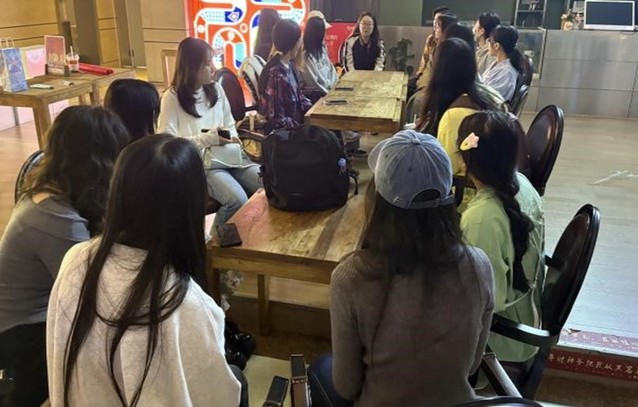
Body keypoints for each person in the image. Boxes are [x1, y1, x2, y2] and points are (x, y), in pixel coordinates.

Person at [46, 135, 247, 407]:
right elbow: (219, 398)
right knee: (238, 380)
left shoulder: (77, 259)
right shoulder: (183, 302)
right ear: (192, 206)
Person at [307, 130, 494, 407]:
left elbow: (346, 387)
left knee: (321, 369)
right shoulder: (479, 266)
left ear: (377, 199)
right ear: (448, 196)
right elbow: (471, 366)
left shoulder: (351, 276)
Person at [0, 105, 129, 407]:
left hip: (33, 312)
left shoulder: (58, 192)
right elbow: (91, 289)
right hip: (19, 326)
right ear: (98, 160)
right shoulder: (55, 217)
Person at [457, 110, 544, 368]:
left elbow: (484, 302)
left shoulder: (483, 219)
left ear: (464, 159)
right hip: (527, 312)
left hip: (502, 338)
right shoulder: (523, 184)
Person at [158, 37, 260, 231]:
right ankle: (213, 243)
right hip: (202, 164)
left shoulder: (215, 88)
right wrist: (209, 138)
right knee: (237, 200)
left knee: (267, 184)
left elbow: (229, 122)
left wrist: (231, 137)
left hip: (229, 155)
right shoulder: (172, 98)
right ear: (191, 67)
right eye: (207, 64)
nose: (213, 68)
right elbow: (168, 143)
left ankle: (248, 236)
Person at [418, 38, 501, 176]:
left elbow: (445, 170)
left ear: (439, 70)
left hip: (461, 186)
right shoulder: (484, 99)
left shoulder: (453, 115)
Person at [258, 19, 313, 133]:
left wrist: (314, 110)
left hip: (296, 125)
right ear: (295, 43)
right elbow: (278, 120)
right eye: (300, 40)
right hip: (287, 134)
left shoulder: (289, 65)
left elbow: (299, 97)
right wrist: (302, 127)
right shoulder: (277, 75)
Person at [297, 15, 338, 103]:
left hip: (330, 93)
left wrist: (334, 89)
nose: (325, 34)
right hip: (317, 99)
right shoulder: (305, 56)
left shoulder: (322, 51)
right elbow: (313, 84)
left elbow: (332, 71)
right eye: (323, 32)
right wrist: (328, 94)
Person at [483, 25, 523, 102]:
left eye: (489, 40)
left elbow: (491, 99)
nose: (487, 43)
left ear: (496, 46)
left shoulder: (507, 73)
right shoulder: (497, 65)